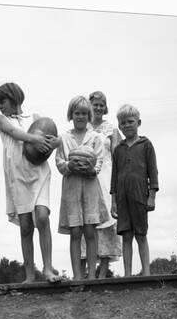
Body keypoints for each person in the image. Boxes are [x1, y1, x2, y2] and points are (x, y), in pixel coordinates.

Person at [0, 82, 61, 283]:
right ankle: (30, 275)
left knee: (41, 216)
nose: (0, 106)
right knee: (25, 226)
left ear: (14, 98)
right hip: (18, 176)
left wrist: (55, 142)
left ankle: (48, 269)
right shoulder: (2, 119)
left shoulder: (35, 118)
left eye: (2, 101)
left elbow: (54, 139)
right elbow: (14, 133)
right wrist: (34, 139)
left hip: (38, 173)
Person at [56, 95, 110, 280]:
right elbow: (59, 161)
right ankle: (78, 277)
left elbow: (99, 161)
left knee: (90, 230)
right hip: (71, 188)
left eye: (84, 113)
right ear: (71, 115)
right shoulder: (63, 138)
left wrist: (91, 169)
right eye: (77, 113)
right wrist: (69, 166)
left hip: (90, 187)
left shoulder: (95, 138)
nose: (80, 116)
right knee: (76, 232)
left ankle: (92, 277)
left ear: (89, 116)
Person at [111, 104, 158, 277]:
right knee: (126, 236)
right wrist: (113, 201)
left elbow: (153, 172)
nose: (127, 125)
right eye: (123, 123)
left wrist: (151, 196)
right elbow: (114, 177)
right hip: (122, 199)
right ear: (119, 126)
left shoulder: (146, 145)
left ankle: (146, 273)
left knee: (141, 234)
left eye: (130, 121)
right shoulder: (118, 150)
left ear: (138, 122)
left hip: (140, 196)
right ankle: (128, 275)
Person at [80, 91, 122, 278]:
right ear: (89, 106)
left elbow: (118, 155)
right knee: (84, 223)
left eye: (101, 104)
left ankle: (102, 275)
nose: (98, 107)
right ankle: (82, 274)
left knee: (107, 224)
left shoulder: (111, 129)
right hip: (86, 177)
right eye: (95, 104)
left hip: (106, 178)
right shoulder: (83, 126)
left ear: (105, 108)